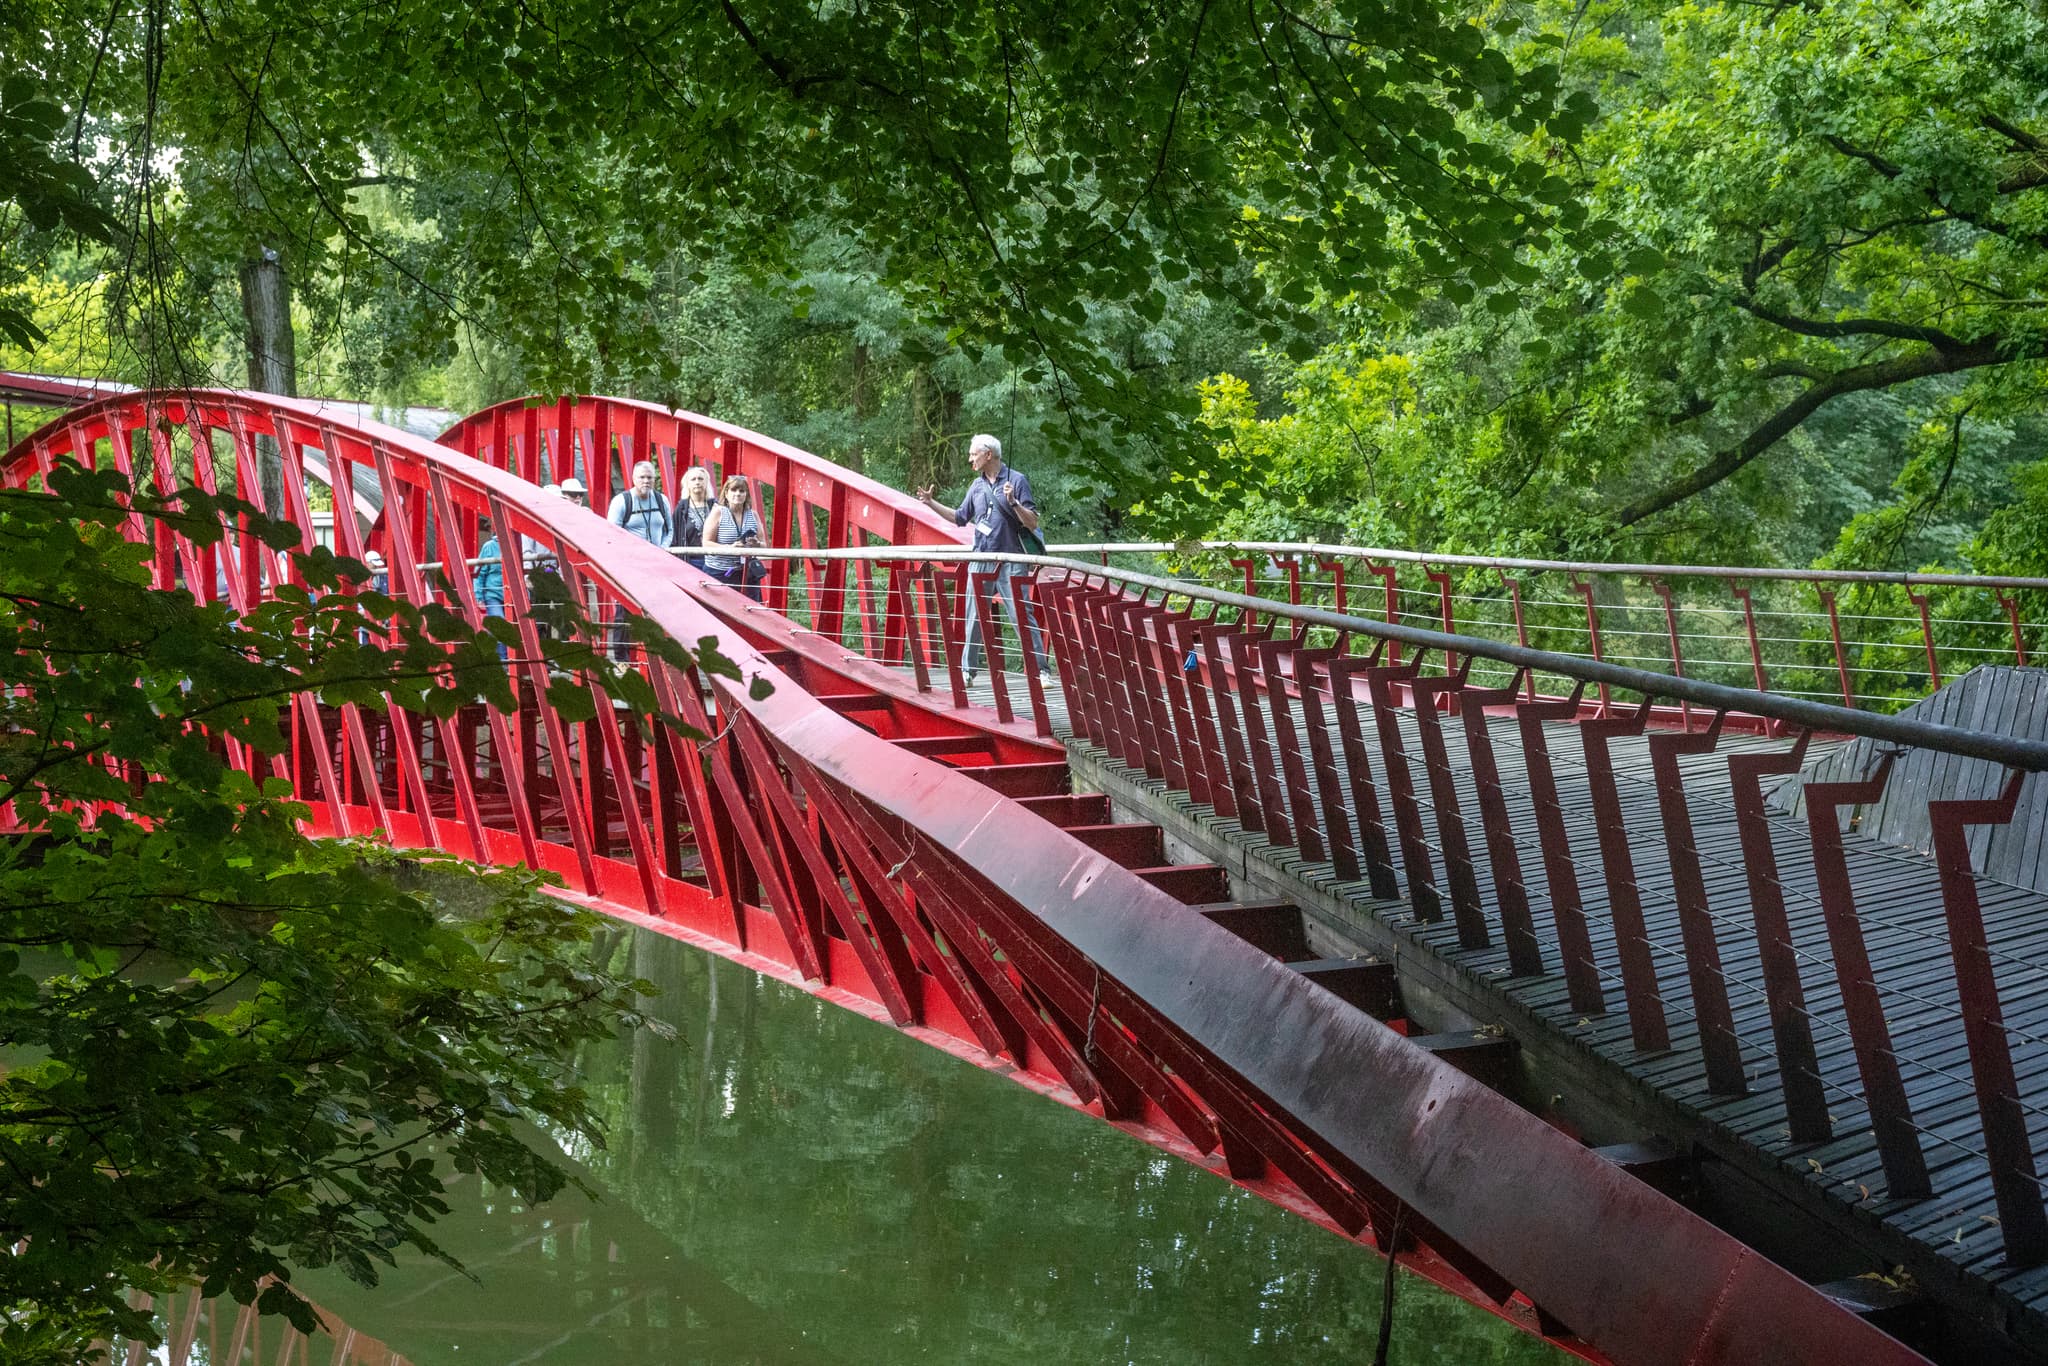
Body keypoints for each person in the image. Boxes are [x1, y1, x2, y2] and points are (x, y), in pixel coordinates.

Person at [914, 433, 1047, 685]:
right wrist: (930, 503)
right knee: (973, 615)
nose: (969, 459)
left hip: (1012, 559)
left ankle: (1041, 670)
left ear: (988, 454)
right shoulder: (976, 486)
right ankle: (967, 671)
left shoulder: (1017, 481)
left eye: (973, 454)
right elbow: (959, 518)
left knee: (1021, 614)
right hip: (981, 557)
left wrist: (1014, 503)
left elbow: (1032, 522)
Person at [701, 474, 767, 602]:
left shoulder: (753, 515)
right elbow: (706, 543)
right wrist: (730, 548)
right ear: (726, 493)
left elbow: (764, 545)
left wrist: (756, 544)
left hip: (747, 573)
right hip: (720, 573)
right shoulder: (718, 512)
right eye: (733, 490)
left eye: (742, 491)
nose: (737, 494)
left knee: (751, 612)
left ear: (746, 495)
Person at [607, 461, 672, 544]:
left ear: (654, 479)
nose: (646, 481)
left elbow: (670, 530)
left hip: (658, 555)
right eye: (642, 477)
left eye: (649, 477)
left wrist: (663, 548)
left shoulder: (662, 500)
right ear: (634, 479)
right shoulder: (621, 501)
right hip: (630, 555)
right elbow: (612, 533)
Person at [671, 465, 717, 572]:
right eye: (693, 479)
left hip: (714, 562)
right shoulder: (681, 508)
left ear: (706, 482)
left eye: (701, 479)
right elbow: (674, 537)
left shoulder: (715, 506)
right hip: (690, 562)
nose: (697, 482)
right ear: (687, 484)